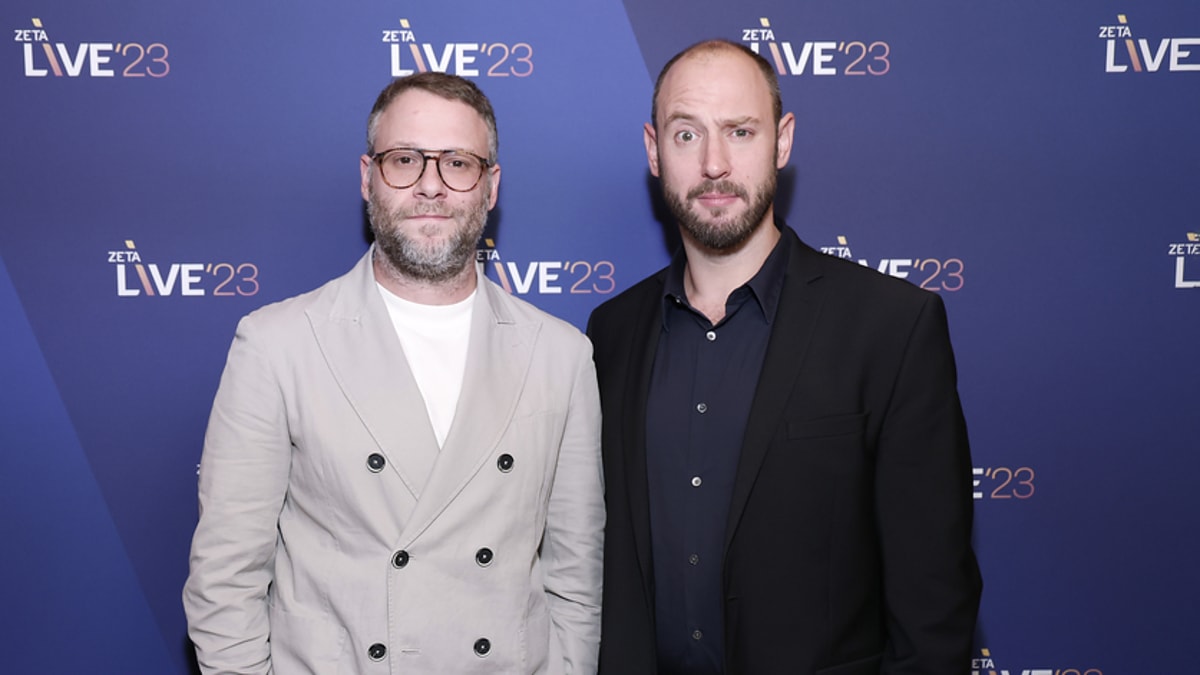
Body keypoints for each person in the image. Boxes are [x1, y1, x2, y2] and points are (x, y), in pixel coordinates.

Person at [183, 72, 604, 674]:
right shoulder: (277, 346)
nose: (430, 186)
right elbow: (225, 580)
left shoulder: (562, 356)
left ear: (490, 187)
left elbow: (576, 578)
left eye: (458, 163)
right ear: (367, 177)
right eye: (404, 159)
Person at [588, 40, 982, 674]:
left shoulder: (890, 327)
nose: (714, 164)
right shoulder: (611, 333)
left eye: (740, 131)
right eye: (686, 134)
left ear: (782, 140)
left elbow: (934, 606)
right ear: (653, 151)